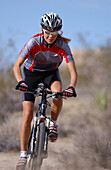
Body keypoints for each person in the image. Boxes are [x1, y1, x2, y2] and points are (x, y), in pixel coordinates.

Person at [13, 12, 77, 169]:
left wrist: (72, 87)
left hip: (50, 74)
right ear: (42, 30)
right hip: (31, 74)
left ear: (58, 32)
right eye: (47, 32)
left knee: (58, 91)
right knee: (27, 114)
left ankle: (53, 123)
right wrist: (20, 81)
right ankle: (23, 154)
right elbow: (16, 66)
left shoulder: (63, 45)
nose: (50, 36)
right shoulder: (34, 41)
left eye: (54, 33)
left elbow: (73, 71)